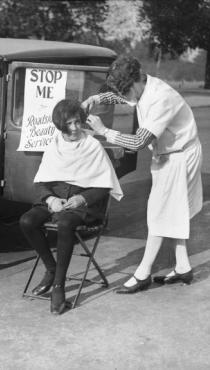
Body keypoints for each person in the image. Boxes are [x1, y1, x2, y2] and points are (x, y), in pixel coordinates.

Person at [81, 55, 203, 294]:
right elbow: (122, 96)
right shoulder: (142, 86)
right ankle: (183, 266)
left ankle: (143, 273)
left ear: (136, 81)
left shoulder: (161, 98)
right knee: (173, 213)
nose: (124, 97)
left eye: (125, 91)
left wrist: (104, 131)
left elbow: (137, 141)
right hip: (168, 154)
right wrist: (96, 97)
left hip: (179, 156)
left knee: (158, 215)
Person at [19, 99, 123, 315]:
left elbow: (105, 185)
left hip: (83, 205)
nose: (75, 128)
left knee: (66, 224)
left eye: (78, 122)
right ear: (60, 126)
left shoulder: (92, 145)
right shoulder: (54, 144)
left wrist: (82, 199)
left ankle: (59, 285)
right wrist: (49, 199)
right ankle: (51, 268)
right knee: (27, 221)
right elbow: (41, 182)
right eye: (69, 124)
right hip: (56, 199)